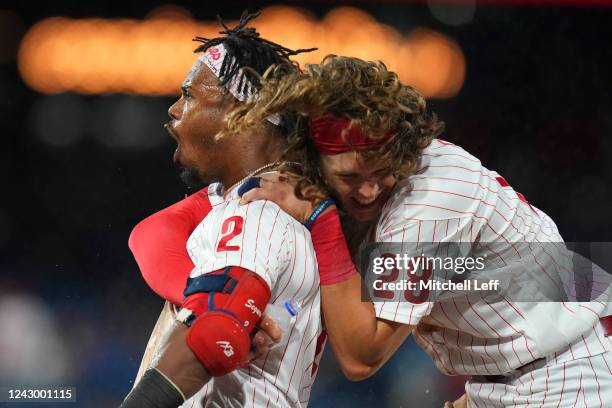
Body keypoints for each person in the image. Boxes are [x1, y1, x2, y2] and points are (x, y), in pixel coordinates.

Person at [226, 55, 612, 407]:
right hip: (521, 372)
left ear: (403, 151)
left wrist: (323, 218)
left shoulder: (427, 203)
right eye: (350, 177)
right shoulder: (399, 187)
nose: (368, 189)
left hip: (568, 375)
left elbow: (362, 358)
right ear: (316, 160)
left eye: (381, 172)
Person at [121, 12, 327, 408]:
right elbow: (150, 233)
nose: (174, 109)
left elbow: (216, 331)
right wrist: (206, 296)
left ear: (239, 113)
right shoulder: (261, 200)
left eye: (190, 95)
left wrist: (219, 306)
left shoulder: (259, 210)